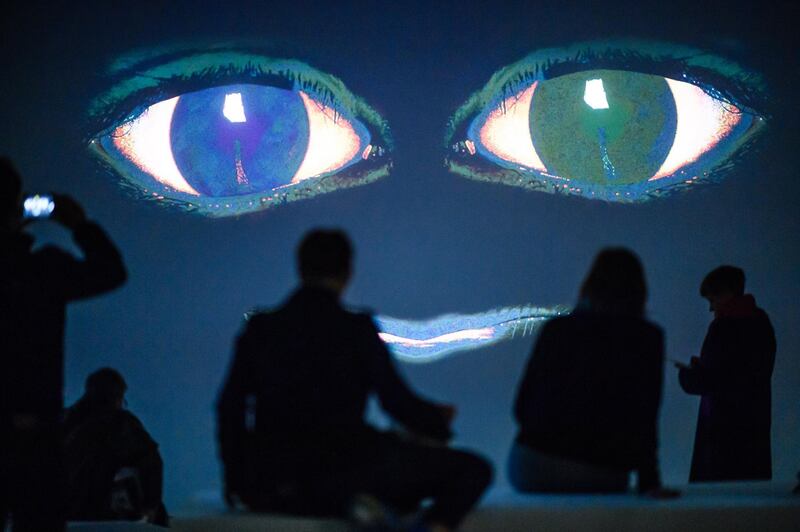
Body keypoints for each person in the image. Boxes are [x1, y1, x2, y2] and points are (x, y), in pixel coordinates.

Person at [217, 229, 492, 532]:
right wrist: (436, 421)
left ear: (300, 268)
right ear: (348, 271)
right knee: (474, 470)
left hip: (275, 480)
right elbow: (395, 401)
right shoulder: (356, 329)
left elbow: (230, 407)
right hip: (347, 472)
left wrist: (237, 477)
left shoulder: (261, 329)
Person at [0, 158, 127, 531]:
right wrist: (79, 225)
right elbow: (111, 271)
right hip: (35, 437)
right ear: (16, 208)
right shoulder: (43, 271)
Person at [510, 248, 676, 497]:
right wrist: (649, 481)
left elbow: (522, 405)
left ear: (589, 283)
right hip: (600, 472)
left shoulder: (557, 329)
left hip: (531, 465)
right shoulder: (647, 337)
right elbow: (645, 414)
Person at [678, 266, 776, 482]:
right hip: (754, 425)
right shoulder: (761, 323)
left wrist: (688, 374)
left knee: (716, 498)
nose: (711, 308)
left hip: (721, 429)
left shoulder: (723, 327)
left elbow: (710, 380)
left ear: (727, 293)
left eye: (712, 300)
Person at [63, 368, 168, 526]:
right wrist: (150, 506)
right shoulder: (122, 424)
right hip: (111, 515)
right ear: (118, 396)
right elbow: (151, 463)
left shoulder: (66, 421)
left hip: (69, 511)